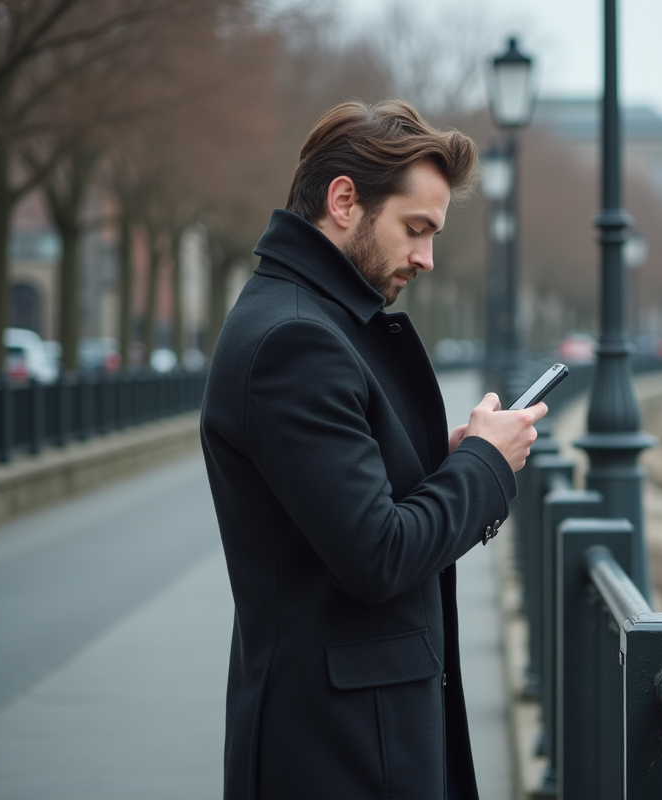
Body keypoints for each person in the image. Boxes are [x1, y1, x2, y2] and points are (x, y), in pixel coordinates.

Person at [200, 100, 547, 800]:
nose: (425, 258)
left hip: (354, 733)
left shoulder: (311, 318)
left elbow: (349, 507)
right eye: (415, 229)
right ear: (343, 200)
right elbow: (377, 553)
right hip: (344, 750)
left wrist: (449, 458)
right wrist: (483, 467)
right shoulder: (297, 342)